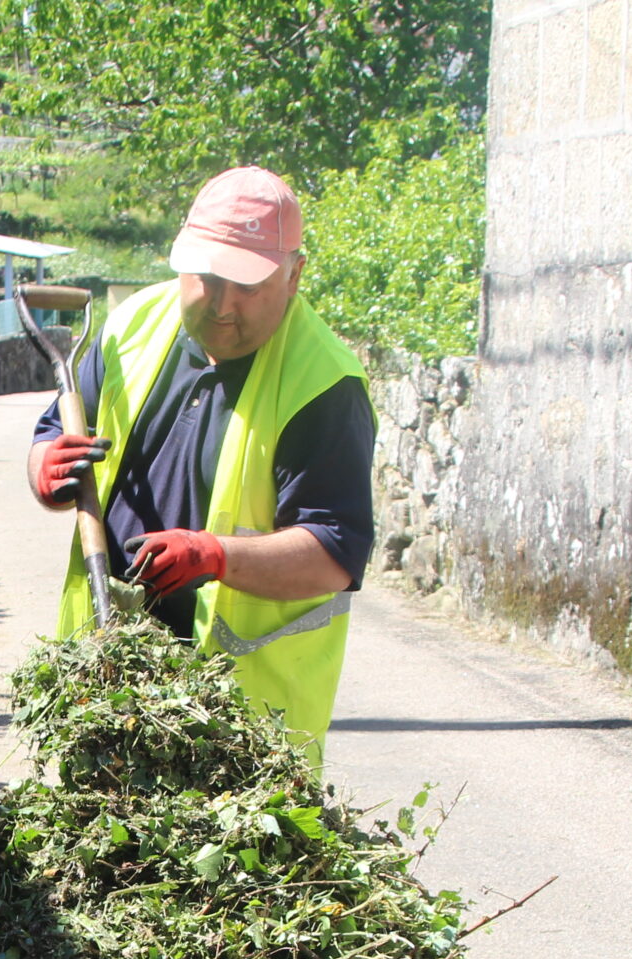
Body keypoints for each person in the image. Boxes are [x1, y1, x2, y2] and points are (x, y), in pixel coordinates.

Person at [27, 165, 376, 754]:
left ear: (294, 276)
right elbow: (56, 428)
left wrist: (215, 555)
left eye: (248, 286)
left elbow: (333, 555)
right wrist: (43, 469)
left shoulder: (323, 384)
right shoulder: (132, 325)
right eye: (208, 278)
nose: (222, 305)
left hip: (238, 726)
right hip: (104, 673)